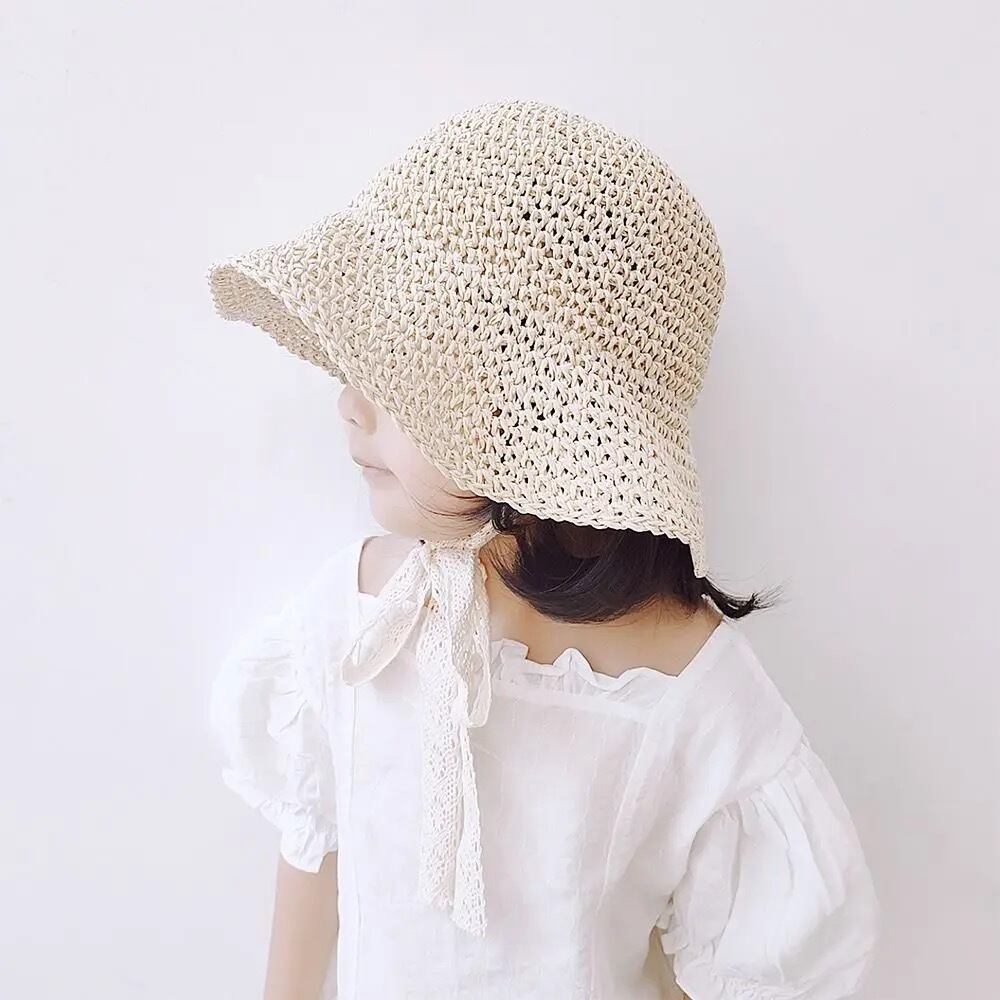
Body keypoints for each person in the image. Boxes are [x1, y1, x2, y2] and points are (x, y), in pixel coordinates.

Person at [205, 99, 880, 1000]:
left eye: (401, 375)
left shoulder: (693, 696)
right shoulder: (362, 618)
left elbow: (737, 971)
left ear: (528, 415)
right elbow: (315, 844)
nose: (349, 405)